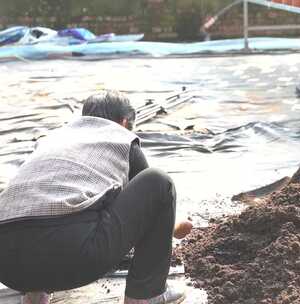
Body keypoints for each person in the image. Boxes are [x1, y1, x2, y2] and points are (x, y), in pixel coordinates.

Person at [0, 91, 189, 304]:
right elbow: (149, 206)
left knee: (43, 206)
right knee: (159, 181)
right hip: (74, 255)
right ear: (124, 122)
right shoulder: (122, 138)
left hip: (7, 266)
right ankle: (146, 294)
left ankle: (34, 293)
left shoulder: (50, 140)